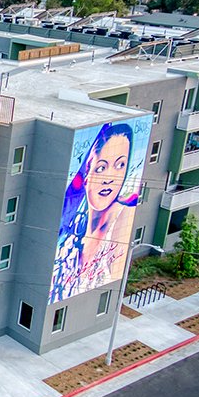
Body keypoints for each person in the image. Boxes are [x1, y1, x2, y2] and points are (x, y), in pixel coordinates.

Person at [51, 122, 138, 303]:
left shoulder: (122, 217)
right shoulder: (70, 229)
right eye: (102, 167)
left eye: (120, 165)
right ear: (89, 167)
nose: (109, 179)